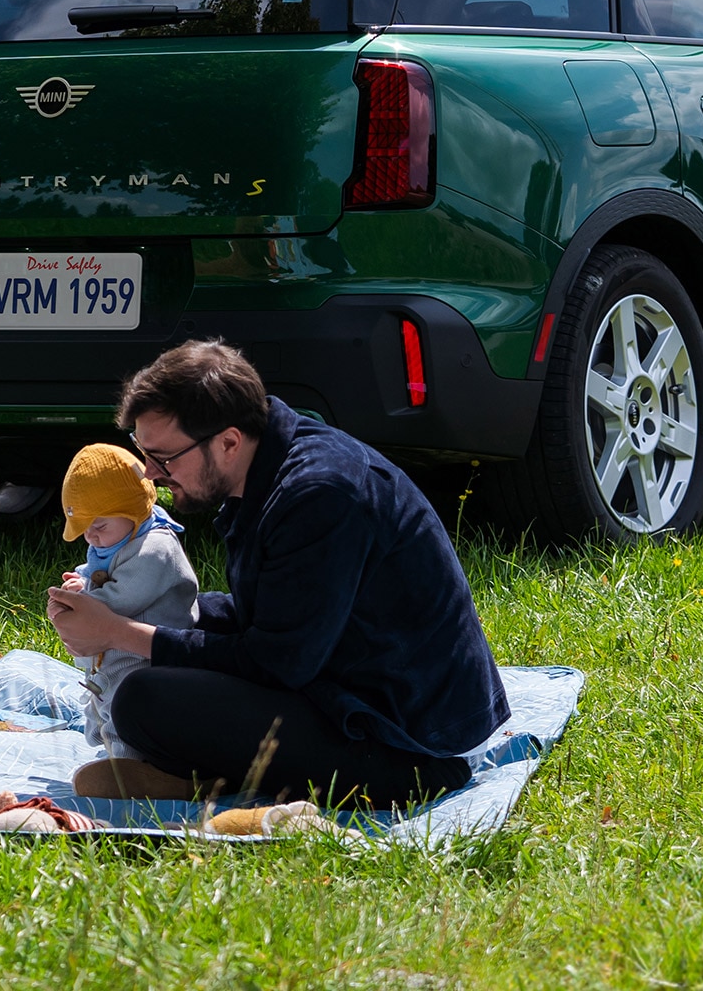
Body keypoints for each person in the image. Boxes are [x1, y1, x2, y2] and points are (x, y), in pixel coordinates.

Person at [47, 340, 509, 807]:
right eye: (142, 452)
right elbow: (273, 616)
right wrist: (128, 606)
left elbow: (275, 662)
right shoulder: (266, 465)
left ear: (228, 441)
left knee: (142, 699)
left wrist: (116, 631)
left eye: (163, 457)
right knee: (182, 619)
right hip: (344, 679)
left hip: (407, 746)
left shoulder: (320, 495)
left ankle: (205, 776)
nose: (149, 473)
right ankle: (204, 773)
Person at [56, 442, 198, 758]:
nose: (90, 537)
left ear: (133, 511)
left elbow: (122, 598)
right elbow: (96, 572)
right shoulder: (117, 539)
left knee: (125, 701)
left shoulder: (155, 548)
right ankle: (108, 752)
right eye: (84, 530)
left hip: (145, 654)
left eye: (99, 525)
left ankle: (130, 762)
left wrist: (82, 603)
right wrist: (81, 584)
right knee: (102, 700)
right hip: (115, 650)